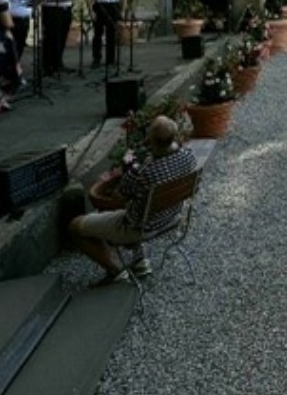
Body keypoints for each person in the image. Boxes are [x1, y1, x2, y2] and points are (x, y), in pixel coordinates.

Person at [69, 116, 197, 284]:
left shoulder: (142, 171)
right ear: (175, 136)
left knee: (74, 226)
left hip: (139, 228)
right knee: (139, 205)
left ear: (150, 140)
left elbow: (116, 199)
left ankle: (117, 272)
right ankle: (140, 260)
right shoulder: (188, 157)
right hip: (171, 218)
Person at [33, 0, 76, 76]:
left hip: (66, 8)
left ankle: (58, 63)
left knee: (62, 37)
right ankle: (47, 66)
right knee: (51, 38)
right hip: (52, 10)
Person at [89, 0, 126, 69]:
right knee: (97, 34)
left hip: (113, 6)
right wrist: (91, 11)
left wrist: (122, 10)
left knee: (111, 34)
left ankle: (111, 60)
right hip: (99, 5)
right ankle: (96, 59)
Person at [1, 0, 34, 66]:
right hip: (13, 21)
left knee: (20, 47)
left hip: (25, 20)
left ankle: (15, 70)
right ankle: (8, 73)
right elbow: (4, 2)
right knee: (11, 47)